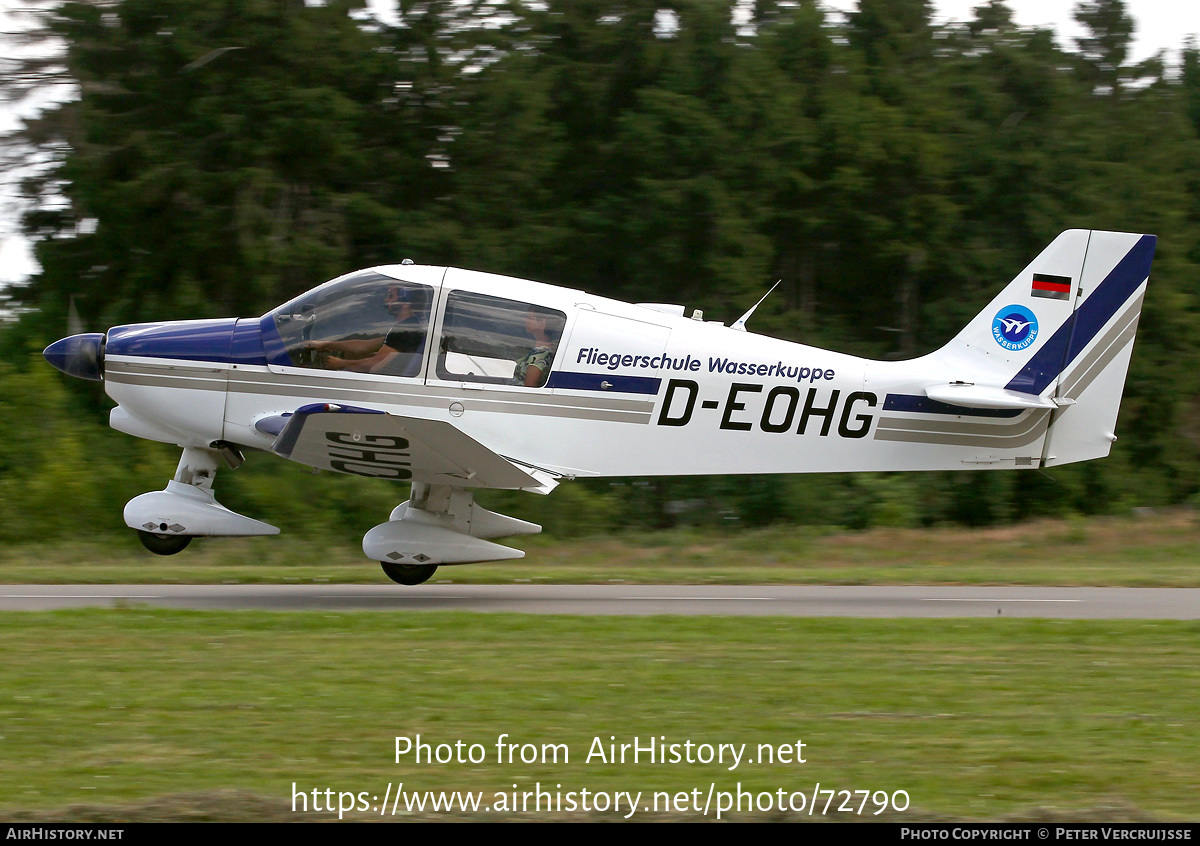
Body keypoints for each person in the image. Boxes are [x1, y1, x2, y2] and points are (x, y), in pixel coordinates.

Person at [309, 284, 428, 376]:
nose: (387, 300)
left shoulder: (406, 332)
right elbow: (364, 346)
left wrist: (340, 363)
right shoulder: (410, 326)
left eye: (390, 295)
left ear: (405, 302)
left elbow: (375, 365)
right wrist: (327, 344)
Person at [513, 305, 564, 388]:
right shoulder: (547, 350)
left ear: (542, 323)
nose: (526, 320)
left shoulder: (538, 356)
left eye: (530, 318)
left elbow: (529, 389)